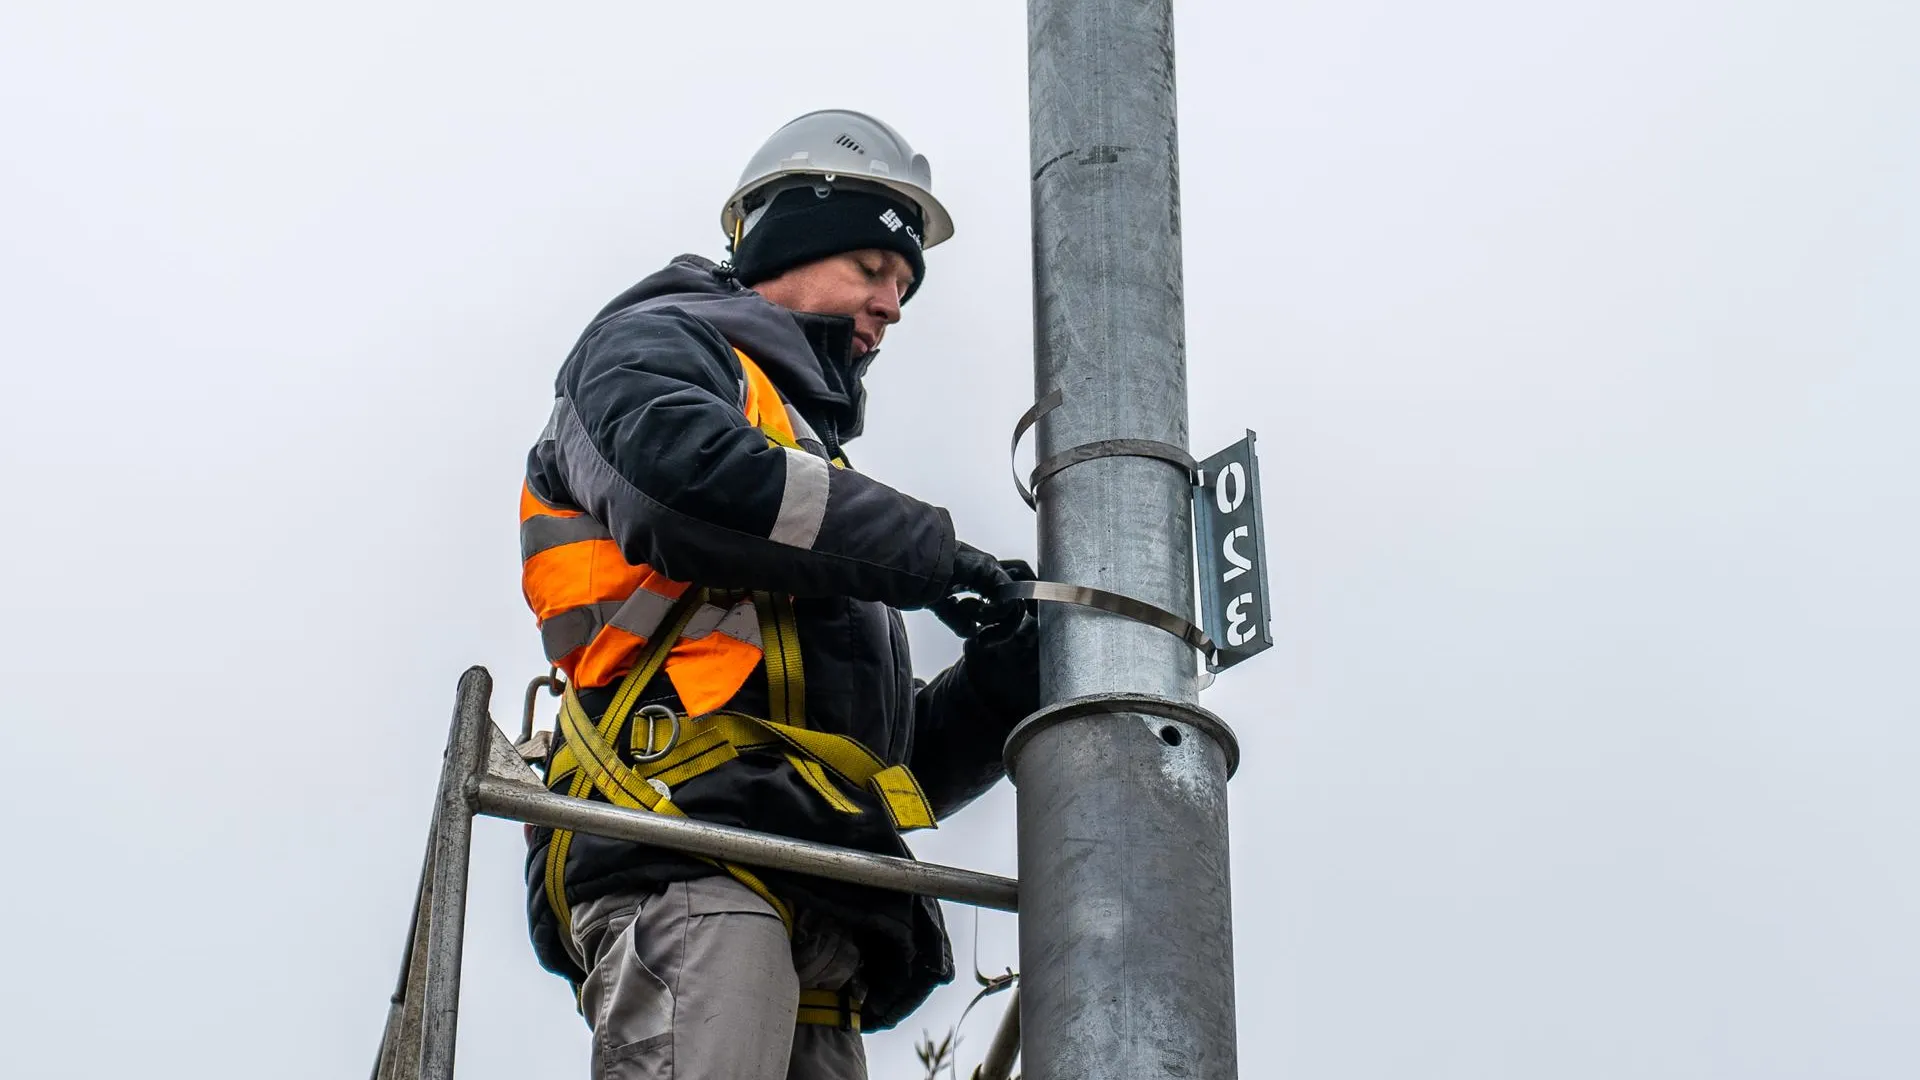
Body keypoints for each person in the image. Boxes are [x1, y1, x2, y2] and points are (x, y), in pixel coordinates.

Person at [517, 108, 1037, 1080]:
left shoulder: (814, 483)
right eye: (872, 269)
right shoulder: (651, 348)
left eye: (906, 286)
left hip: (812, 899)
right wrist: (931, 555)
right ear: (786, 247)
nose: (892, 305)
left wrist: (1005, 683)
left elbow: (878, 765)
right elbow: (683, 485)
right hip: (691, 850)